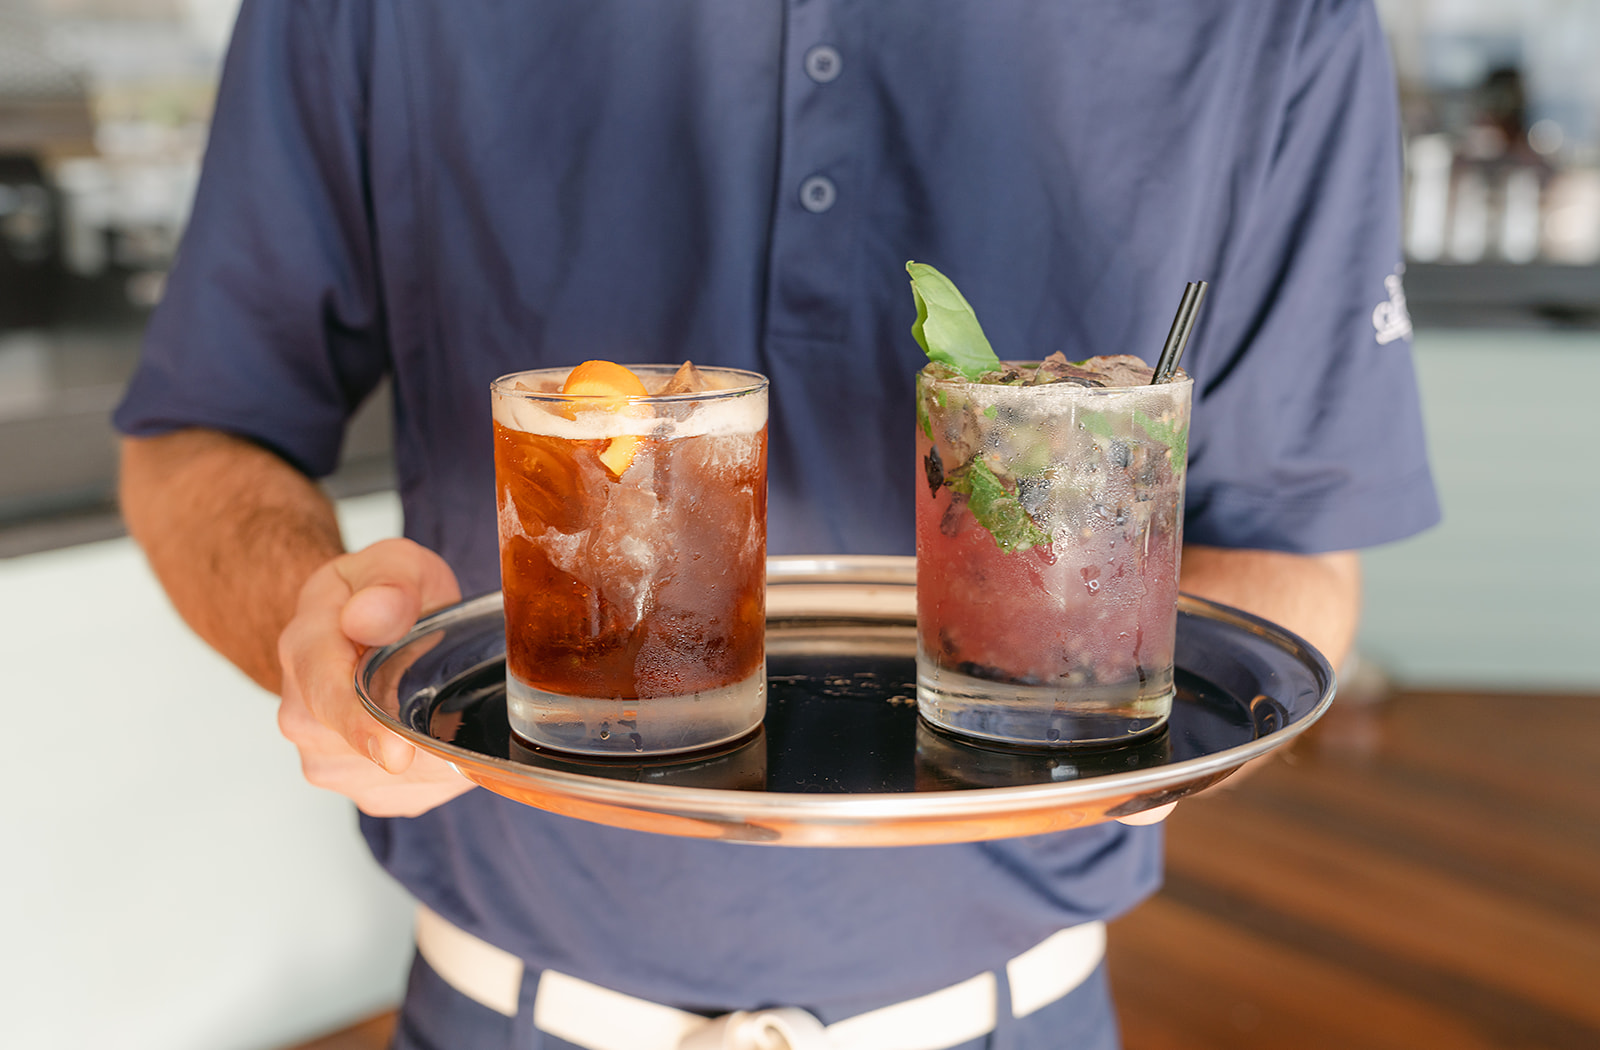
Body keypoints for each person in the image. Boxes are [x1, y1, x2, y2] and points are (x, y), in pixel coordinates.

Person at [114, 2, 1439, 1047]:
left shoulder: (1276, 19)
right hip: (502, 1013)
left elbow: (1293, 546)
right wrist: (321, 630)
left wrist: (1138, 720)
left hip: (1017, 1015)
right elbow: (196, 433)